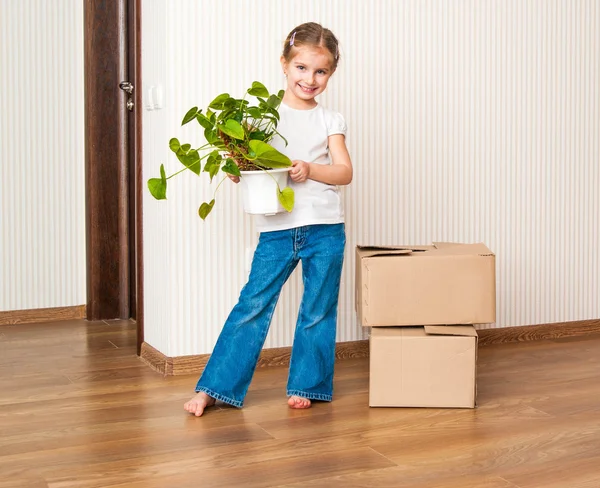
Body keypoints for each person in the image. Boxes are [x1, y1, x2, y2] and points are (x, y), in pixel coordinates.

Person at [184, 22, 353, 416]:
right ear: (284, 64)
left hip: (325, 228)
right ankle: (214, 388)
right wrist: (236, 168)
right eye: (301, 68)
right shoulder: (261, 119)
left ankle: (308, 385)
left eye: (320, 71)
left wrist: (310, 168)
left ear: (330, 73)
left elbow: (344, 172)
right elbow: (250, 167)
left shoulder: (331, 121)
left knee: (318, 308)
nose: (309, 79)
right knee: (253, 305)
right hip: (277, 229)